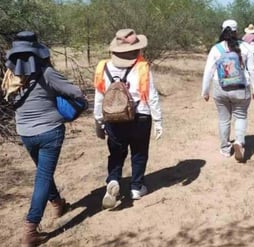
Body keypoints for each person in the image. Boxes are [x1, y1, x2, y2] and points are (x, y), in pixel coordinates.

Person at [2, 31, 86, 246]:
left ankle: (58, 204)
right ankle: (30, 229)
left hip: (25, 133)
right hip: (50, 132)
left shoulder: (10, 76)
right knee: (43, 177)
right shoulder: (46, 72)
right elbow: (76, 92)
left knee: (43, 173)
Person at [93, 28, 163, 209]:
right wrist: (158, 121)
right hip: (140, 116)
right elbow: (152, 95)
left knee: (116, 153)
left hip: (113, 118)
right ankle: (136, 187)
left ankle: (113, 179)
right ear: (136, 50)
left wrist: (99, 122)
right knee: (139, 152)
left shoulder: (103, 67)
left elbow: (99, 96)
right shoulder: (142, 67)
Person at [201, 19, 254, 162]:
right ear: (236, 31)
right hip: (241, 88)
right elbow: (251, 69)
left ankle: (225, 149)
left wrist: (205, 91)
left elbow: (209, 71)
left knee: (223, 119)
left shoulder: (216, 49)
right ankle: (239, 142)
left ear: (222, 31)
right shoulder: (245, 47)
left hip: (220, 88)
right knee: (240, 115)